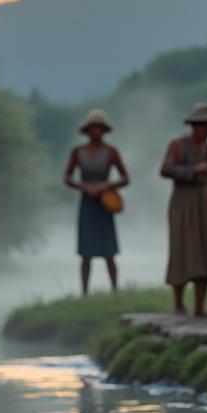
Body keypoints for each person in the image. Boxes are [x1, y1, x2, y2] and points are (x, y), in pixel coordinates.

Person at [161, 103, 207, 317]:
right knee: (182, 249)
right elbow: (166, 169)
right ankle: (178, 304)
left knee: (205, 251)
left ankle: (199, 307)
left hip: (204, 203)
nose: (205, 131)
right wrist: (192, 170)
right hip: (183, 201)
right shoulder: (177, 146)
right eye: (201, 126)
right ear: (193, 126)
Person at [64, 109, 130, 295]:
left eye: (99, 128)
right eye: (93, 128)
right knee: (86, 252)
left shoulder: (111, 152)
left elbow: (125, 177)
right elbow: (67, 178)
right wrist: (84, 187)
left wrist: (106, 186)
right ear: (87, 130)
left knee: (109, 251)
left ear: (104, 130)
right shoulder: (78, 152)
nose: (96, 132)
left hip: (105, 203)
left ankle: (115, 290)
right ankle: (84, 292)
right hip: (87, 203)